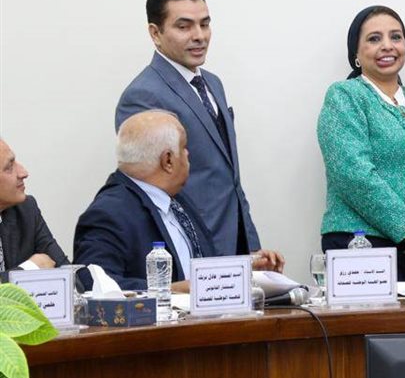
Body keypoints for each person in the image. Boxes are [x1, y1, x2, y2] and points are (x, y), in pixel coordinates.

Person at [116, 0, 261, 258]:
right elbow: (149, 190)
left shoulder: (213, 83)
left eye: (204, 24)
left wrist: (251, 245)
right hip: (189, 248)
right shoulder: (142, 95)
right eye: (184, 26)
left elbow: (230, 178)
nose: (199, 35)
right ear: (155, 33)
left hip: (235, 243)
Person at [316, 6, 405, 281]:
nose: (387, 46)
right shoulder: (345, 96)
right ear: (356, 53)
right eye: (374, 39)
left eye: (396, 37)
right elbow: (352, 173)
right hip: (359, 245)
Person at [74, 111, 284, 291]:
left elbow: (199, 270)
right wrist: (174, 291)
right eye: (184, 147)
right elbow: (94, 285)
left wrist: (244, 269)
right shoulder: (109, 213)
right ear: (168, 160)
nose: (188, 153)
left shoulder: (177, 200)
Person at [0, 137, 69, 278]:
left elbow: (70, 276)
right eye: (9, 167)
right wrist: (27, 270)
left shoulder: (25, 210)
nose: (23, 173)